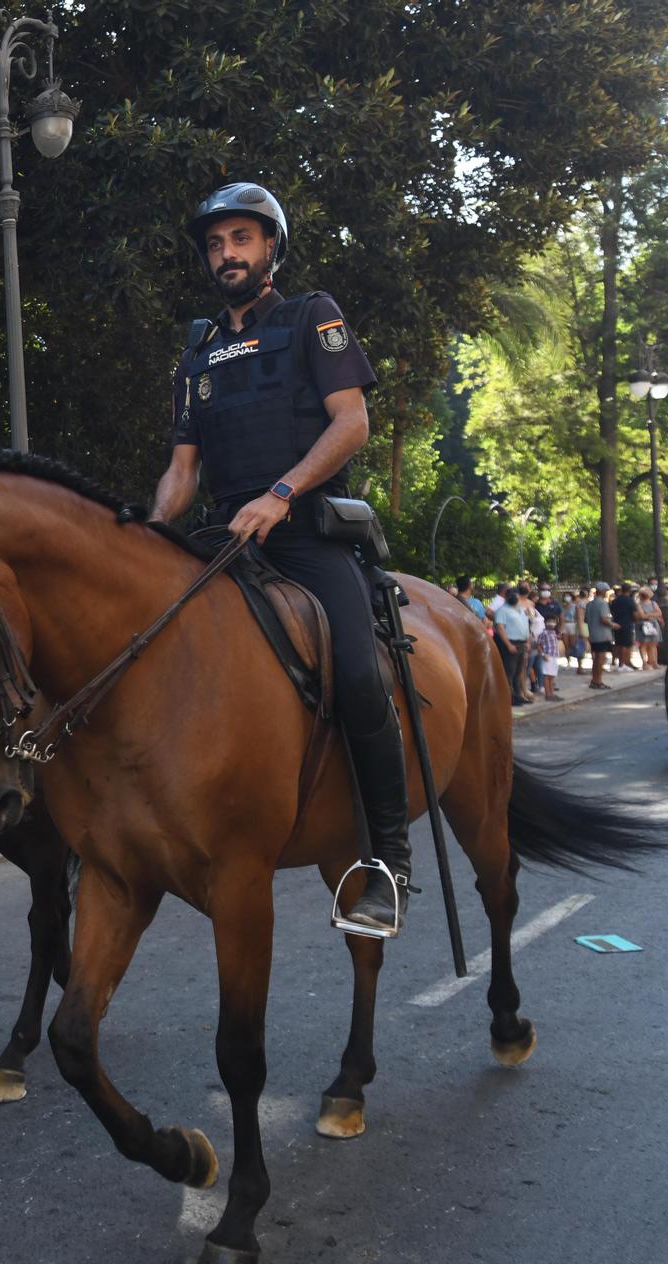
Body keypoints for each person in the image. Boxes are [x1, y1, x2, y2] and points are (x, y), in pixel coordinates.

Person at [151, 181, 407, 933]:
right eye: (215, 243)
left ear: (270, 247)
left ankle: (388, 859)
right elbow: (183, 469)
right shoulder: (197, 349)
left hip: (303, 533)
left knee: (359, 674)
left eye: (241, 239)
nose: (226, 253)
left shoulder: (310, 317)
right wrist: (146, 526)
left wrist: (282, 491)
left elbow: (352, 422)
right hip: (221, 538)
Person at [492, 586, 533, 706]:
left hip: (522, 643)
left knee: (518, 671)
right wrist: (508, 644)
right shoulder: (502, 610)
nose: (514, 598)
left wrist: (528, 641)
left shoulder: (521, 609)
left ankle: (518, 694)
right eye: (511, 596)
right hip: (510, 643)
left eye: (515, 595)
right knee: (509, 671)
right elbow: (500, 628)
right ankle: (509, 697)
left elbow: (527, 625)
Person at [585, 582, 614, 689]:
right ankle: (599, 681)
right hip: (602, 635)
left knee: (596, 659)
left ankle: (594, 680)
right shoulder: (603, 604)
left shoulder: (589, 604)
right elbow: (604, 619)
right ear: (603, 592)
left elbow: (586, 620)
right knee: (601, 659)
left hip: (593, 634)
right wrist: (613, 625)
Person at [610, 583, 636, 672]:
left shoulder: (615, 600)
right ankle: (623, 663)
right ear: (629, 591)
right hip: (627, 624)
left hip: (616, 624)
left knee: (618, 643)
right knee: (626, 645)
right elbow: (634, 613)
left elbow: (611, 611)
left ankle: (618, 662)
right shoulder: (630, 601)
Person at [635, 588, 664, 669]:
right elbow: (642, 616)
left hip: (651, 625)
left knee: (652, 644)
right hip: (645, 625)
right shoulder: (640, 604)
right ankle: (646, 663)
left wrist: (647, 614)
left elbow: (659, 613)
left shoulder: (651, 603)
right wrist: (653, 614)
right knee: (644, 644)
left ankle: (653, 662)